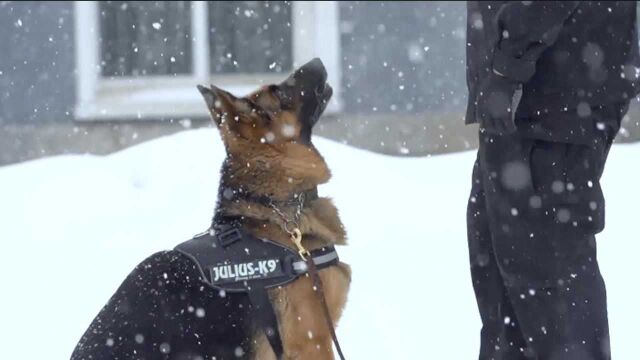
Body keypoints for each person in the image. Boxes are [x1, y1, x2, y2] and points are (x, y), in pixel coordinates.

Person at [465, 1, 639, 359]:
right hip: (531, 104)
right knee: (506, 300)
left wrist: (506, 68)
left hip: (548, 103)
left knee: (550, 294)